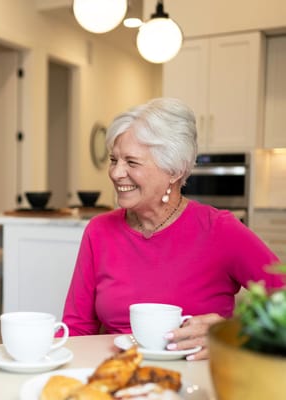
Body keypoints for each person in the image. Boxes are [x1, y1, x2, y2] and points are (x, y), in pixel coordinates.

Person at [62, 97, 283, 360]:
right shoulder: (99, 231)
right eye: (114, 160)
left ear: (174, 170)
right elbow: (76, 328)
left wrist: (232, 333)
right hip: (118, 375)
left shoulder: (220, 230)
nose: (116, 173)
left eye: (131, 163)